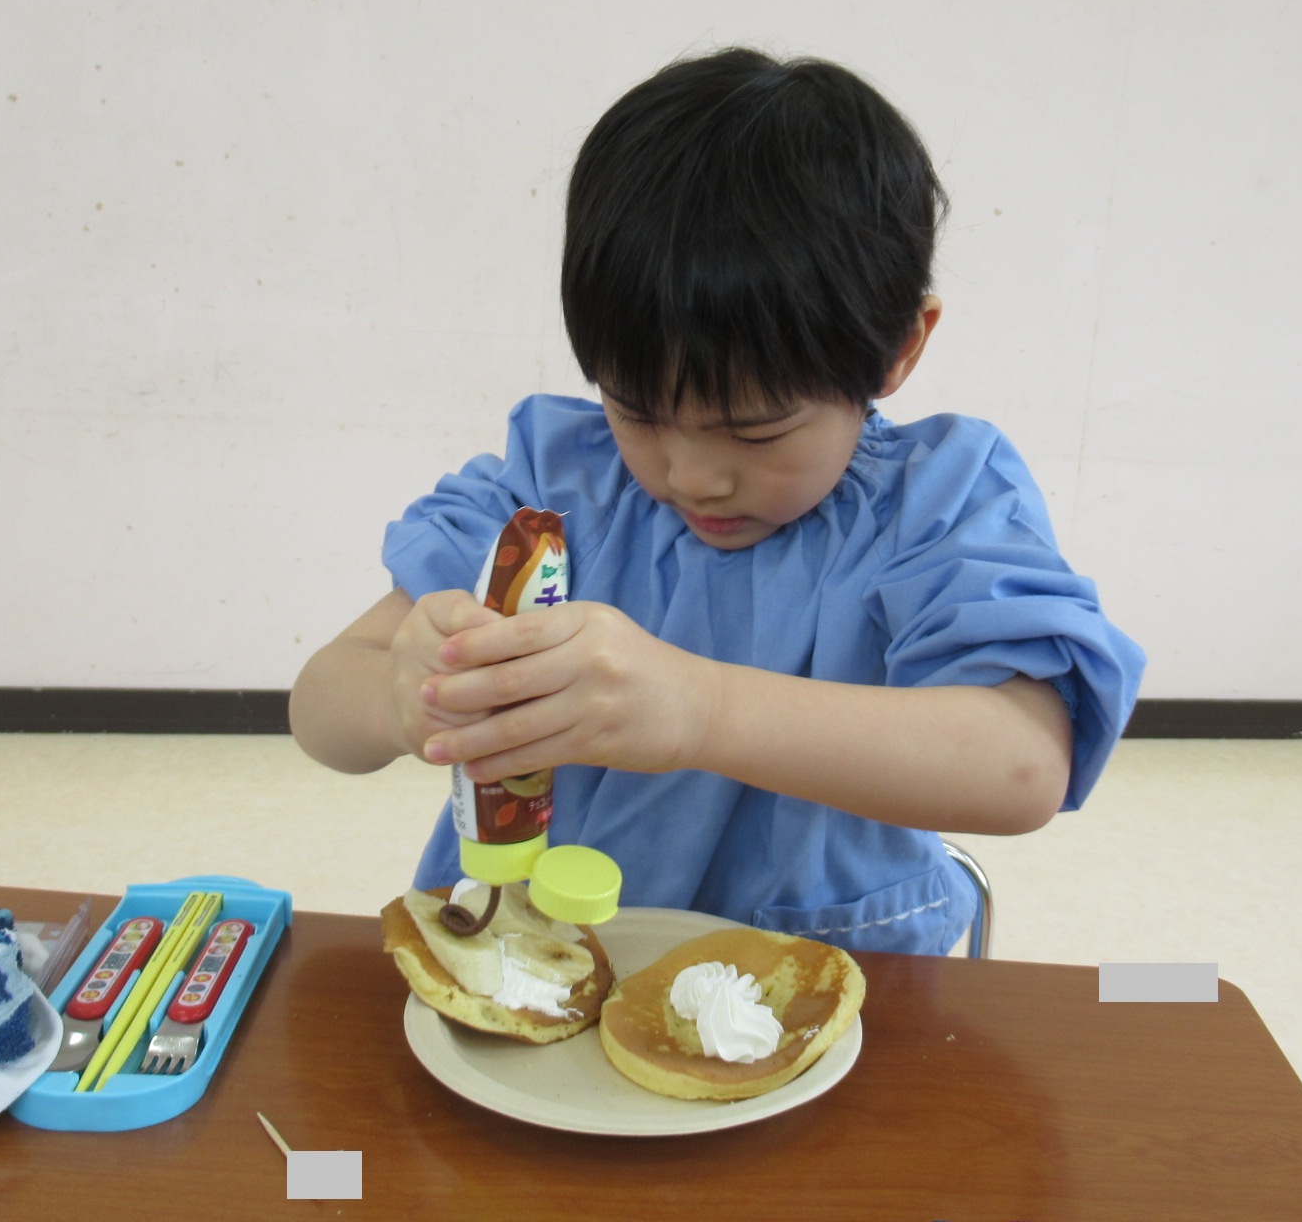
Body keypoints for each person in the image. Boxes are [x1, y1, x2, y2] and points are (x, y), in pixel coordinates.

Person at [290, 48, 1144, 955]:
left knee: (1176, 1011)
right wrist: (400, 699)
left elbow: (1022, 767)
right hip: (535, 958)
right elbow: (319, 702)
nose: (692, 476)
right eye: (636, 411)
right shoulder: (553, 484)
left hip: (826, 983)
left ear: (899, 347)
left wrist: (701, 710)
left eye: (757, 430)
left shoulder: (938, 501)